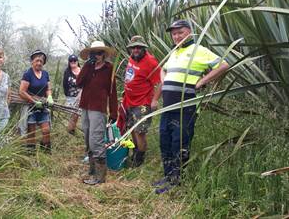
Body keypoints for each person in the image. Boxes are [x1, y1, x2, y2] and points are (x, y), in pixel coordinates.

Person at [155, 19, 229, 194]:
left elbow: (224, 65)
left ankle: (176, 180)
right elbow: (162, 68)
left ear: (189, 32)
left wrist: (202, 81)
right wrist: (164, 80)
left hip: (185, 108)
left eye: (180, 32)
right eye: (173, 33)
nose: (176, 36)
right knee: (165, 140)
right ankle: (168, 176)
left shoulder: (199, 50)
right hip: (167, 106)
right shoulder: (174, 52)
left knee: (179, 142)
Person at [77, 41, 118, 185]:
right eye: (94, 53)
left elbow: (112, 92)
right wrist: (88, 65)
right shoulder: (88, 67)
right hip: (86, 107)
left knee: (96, 139)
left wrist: (114, 113)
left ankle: (100, 176)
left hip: (98, 108)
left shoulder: (109, 68)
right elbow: (78, 82)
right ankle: (93, 170)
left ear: (104, 54)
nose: (97, 55)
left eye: (100, 53)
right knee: (88, 137)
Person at [122, 35, 162, 167]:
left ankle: (139, 161)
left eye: (139, 47)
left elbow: (161, 82)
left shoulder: (151, 62)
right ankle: (135, 154)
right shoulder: (132, 58)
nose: (136, 50)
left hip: (142, 103)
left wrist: (155, 100)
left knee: (140, 132)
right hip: (129, 101)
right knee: (131, 129)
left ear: (144, 48)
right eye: (133, 48)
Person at [19, 50, 54, 154]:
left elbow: (48, 88)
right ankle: (31, 153)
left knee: (46, 130)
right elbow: (21, 92)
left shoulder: (45, 74)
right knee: (32, 132)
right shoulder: (27, 74)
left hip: (43, 106)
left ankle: (46, 152)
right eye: (37, 60)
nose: (39, 63)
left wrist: (50, 97)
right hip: (30, 106)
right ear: (32, 61)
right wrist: (33, 101)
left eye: (41, 61)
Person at [63, 54, 81, 134]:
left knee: (77, 114)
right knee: (72, 114)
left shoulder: (82, 70)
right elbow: (65, 84)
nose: (73, 62)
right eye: (71, 61)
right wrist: (67, 94)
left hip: (81, 96)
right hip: (71, 96)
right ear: (69, 62)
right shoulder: (67, 72)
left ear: (77, 61)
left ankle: (72, 129)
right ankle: (70, 130)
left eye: (75, 61)